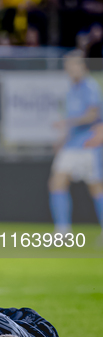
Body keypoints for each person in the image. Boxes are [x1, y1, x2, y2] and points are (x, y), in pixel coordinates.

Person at [49, 56, 103, 236]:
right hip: (72, 145)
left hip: (89, 143)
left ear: (82, 67)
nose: (70, 71)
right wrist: (62, 140)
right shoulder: (72, 90)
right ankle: (63, 231)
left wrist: (67, 122)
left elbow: (92, 115)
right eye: (67, 68)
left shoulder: (90, 87)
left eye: (73, 67)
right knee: (57, 182)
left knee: (96, 187)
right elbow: (71, 121)